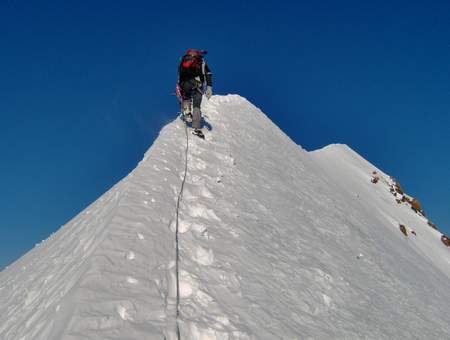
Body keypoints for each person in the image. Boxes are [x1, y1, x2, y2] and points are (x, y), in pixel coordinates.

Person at [177, 49, 212, 139]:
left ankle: (187, 113)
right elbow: (208, 73)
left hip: (184, 84)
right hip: (197, 84)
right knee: (197, 105)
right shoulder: (201, 62)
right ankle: (196, 128)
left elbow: (179, 74)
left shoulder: (183, 60)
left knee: (186, 96)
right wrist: (209, 87)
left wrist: (179, 86)